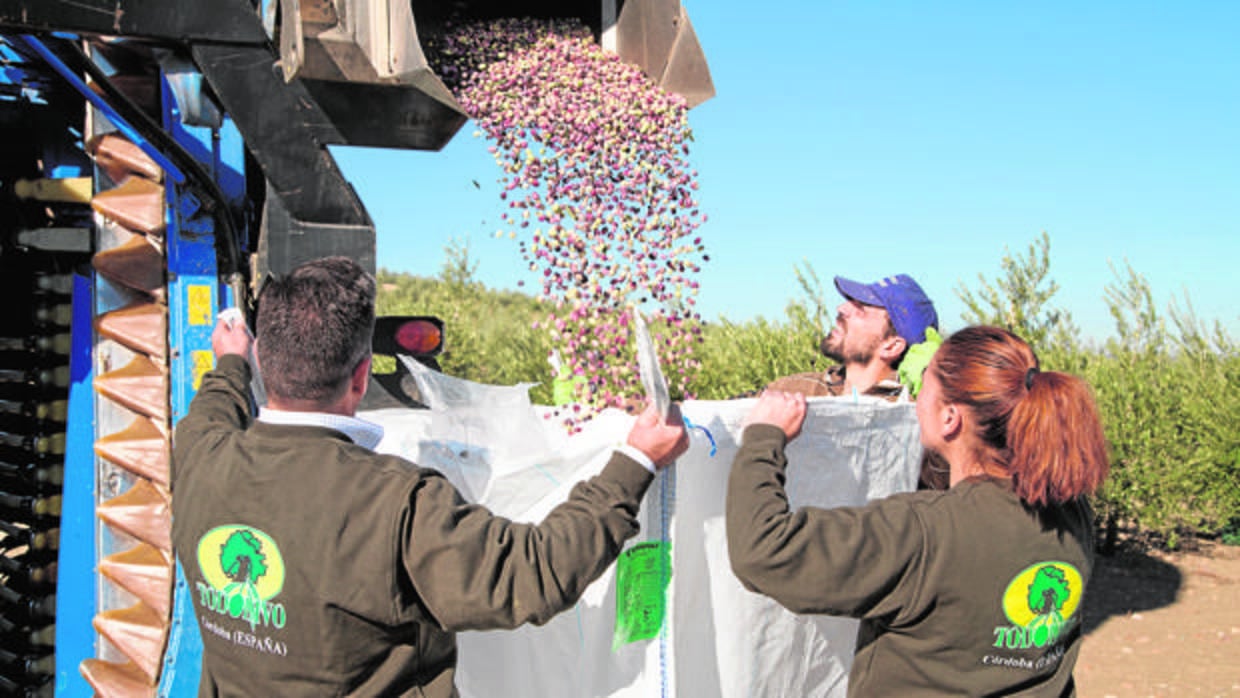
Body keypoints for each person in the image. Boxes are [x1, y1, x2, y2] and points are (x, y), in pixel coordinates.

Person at [171, 257, 689, 697]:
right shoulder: (394, 503)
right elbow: (535, 571)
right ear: (360, 376)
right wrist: (637, 461)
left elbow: (216, 404)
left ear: (264, 360)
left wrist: (231, 362)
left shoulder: (198, 454)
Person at [727, 325, 1109, 696]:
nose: (914, 399)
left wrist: (763, 437)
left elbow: (765, 551)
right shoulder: (1070, 510)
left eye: (924, 386)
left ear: (949, 418)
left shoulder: (925, 532)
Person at [766, 273, 939, 399]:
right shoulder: (800, 389)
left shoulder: (906, 411)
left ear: (892, 346)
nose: (841, 308)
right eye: (850, 302)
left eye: (861, 309)